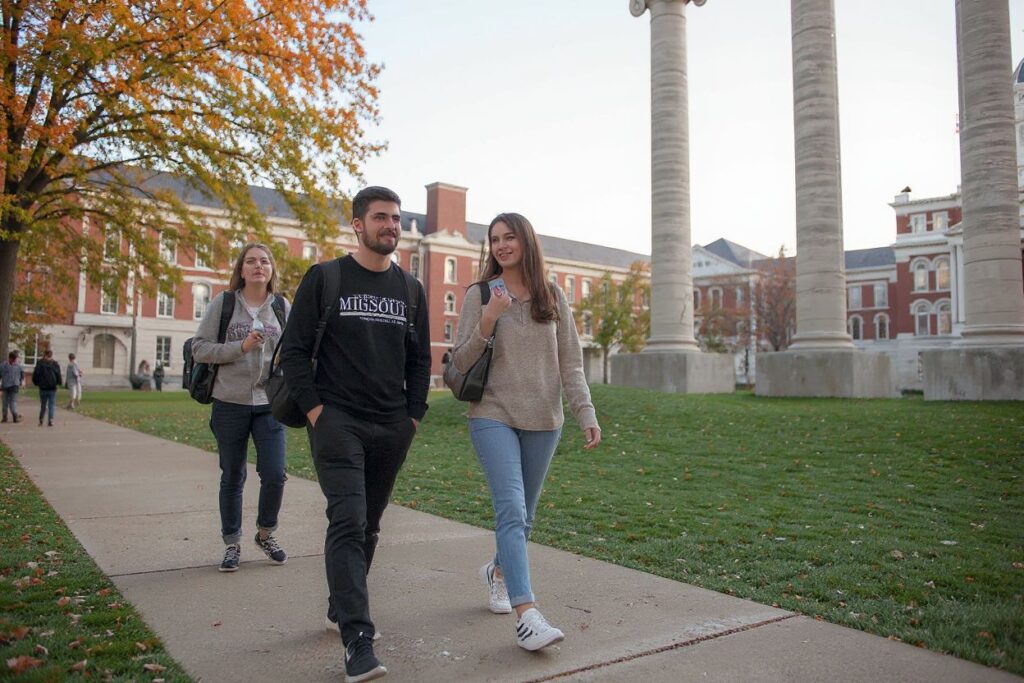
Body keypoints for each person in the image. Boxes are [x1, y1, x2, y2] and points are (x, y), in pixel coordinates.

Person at [280, 186, 431, 683]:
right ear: (357, 224)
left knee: (369, 526)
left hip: (392, 424)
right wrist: (318, 412)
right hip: (337, 419)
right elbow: (296, 352)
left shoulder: (411, 288)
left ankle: (339, 605)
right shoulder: (326, 277)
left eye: (396, 218)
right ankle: (358, 641)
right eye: (381, 217)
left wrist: (412, 416)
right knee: (347, 520)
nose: (391, 225)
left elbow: (419, 358)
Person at [451, 212, 601, 652]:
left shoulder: (552, 296)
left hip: (544, 419)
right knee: (511, 509)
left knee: (525, 516)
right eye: (494, 240)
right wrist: (488, 320)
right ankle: (527, 614)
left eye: (509, 237)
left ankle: (496, 571)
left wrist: (585, 414)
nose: (500, 246)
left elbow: (570, 363)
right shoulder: (480, 294)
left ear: (525, 242)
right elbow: (459, 361)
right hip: (491, 413)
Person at [191, 243, 291, 574]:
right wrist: (241, 347)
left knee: (275, 474)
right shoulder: (224, 304)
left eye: (264, 261)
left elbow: (293, 351)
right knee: (233, 475)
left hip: (268, 404)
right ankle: (232, 543)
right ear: (242, 269)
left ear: (272, 269)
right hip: (229, 402)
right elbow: (200, 349)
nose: (258, 266)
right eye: (251, 261)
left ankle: (265, 533)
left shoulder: (281, 306)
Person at [32, 349, 62, 427]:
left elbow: (36, 374)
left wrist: (36, 383)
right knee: (51, 405)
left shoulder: (40, 363)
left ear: (44, 354)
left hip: (43, 387)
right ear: (51, 355)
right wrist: (59, 382)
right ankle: (50, 420)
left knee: (43, 404)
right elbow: (58, 374)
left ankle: (41, 419)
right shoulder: (55, 364)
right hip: (52, 387)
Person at [1, 351, 25, 423]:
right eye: (13, 359)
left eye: (15, 359)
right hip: (6, 386)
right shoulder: (3, 365)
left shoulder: (18, 366)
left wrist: (20, 382)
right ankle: (5, 417)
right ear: (10, 358)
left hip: (14, 386)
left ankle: (14, 416)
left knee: (12, 402)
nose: (14, 360)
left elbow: (22, 375)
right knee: (5, 403)